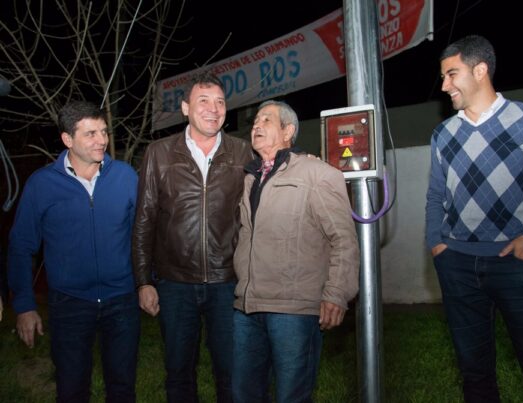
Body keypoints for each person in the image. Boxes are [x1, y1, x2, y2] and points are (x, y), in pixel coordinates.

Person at [425, 35, 523, 402]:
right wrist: (437, 244)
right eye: (443, 77)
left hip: (517, 264)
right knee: (474, 373)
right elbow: (435, 197)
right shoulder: (443, 134)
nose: (444, 86)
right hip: (457, 264)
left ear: (480, 70)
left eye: (451, 74)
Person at [132, 71, 254, 403]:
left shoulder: (243, 153)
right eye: (204, 101)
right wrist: (143, 281)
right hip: (174, 283)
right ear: (185, 108)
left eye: (220, 102)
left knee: (232, 372)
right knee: (178, 372)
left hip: (227, 282)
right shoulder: (159, 152)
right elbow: (144, 220)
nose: (213, 109)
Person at [7, 100, 140, 402]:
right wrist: (24, 305)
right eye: (90, 133)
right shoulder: (42, 184)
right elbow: (21, 245)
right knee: (71, 389)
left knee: (122, 388)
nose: (101, 140)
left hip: (121, 300)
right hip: (69, 303)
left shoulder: (125, 176)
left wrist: (146, 282)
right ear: (67, 139)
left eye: (103, 131)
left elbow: (141, 235)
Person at [231, 100, 359, 403]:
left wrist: (336, 293)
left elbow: (343, 239)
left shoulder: (317, 174)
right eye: (255, 121)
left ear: (288, 131)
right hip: (247, 307)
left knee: (292, 396)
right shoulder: (250, 178)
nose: (256, 125)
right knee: (243, 394)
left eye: (266, 120)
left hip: (294, 311)